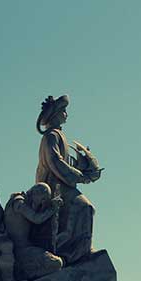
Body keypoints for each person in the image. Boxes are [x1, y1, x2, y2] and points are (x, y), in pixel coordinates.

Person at [35, 95, 101, 264]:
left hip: (63, 184)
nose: (66, 114)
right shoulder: (51, 136)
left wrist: (85, 168)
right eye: (63, 111)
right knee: (85, 207)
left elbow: (66, 163)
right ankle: (75, 253)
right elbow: (55, 162)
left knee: (84, 210)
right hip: (55, 186)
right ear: (55, 114)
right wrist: (80, 177)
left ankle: (80, 249)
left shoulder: (58, 135)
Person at [4, 183, 64, 280]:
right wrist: (53, 208)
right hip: (20, 251)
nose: (42, 203)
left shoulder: (26, 203)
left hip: (26, 248)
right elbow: (36, 218)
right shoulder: (18, 203)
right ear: (36, 193)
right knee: (56, 263)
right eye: (43, 199)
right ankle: (24, 274)